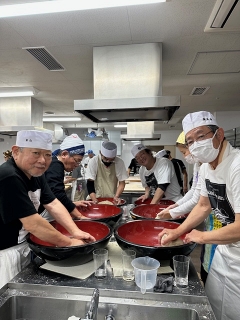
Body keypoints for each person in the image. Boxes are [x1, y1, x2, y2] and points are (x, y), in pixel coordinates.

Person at [158, 111, 240, 320]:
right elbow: (203, 205)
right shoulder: (206, 168)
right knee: (213, 306)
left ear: (219, 134)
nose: (195, 145)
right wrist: (178, 230)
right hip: (225, 251)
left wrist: (199, 236)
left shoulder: (237, 166)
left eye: (201, 136)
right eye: (190, 141)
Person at [0, 130, 95, 288]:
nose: (42, 161)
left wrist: (75, 231)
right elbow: (33, 224)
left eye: (48, 155)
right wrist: (68, 243)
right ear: (16, 152)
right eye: (36, 153)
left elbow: (53, 203)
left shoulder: (37, 174)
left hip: (23, 246)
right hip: (5, 254)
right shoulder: (9, 177)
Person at [157, 131, 220, 284]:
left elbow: (199, 201)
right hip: (212, 220)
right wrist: (174, 206)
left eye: (184, 151)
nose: (185, 156)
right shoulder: (201, 165)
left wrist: (172, 212)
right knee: (208, 262)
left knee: (215, 263)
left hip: (222, 222)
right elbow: (194, 192)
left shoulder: (212, 164)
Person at [43, 134, 92, 222]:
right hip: (43, 215)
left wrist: (73, 204)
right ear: (64, 154)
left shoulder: (54, 163)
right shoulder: (56, 165)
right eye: (76, 160)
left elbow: (51, 195)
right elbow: (58, 195)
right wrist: (79, 216)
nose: (77, 165)